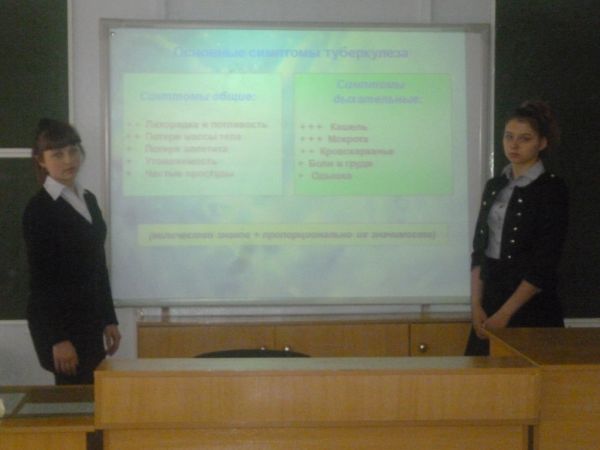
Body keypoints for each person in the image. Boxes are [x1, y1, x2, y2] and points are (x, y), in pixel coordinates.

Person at [465, 101, 569, 356]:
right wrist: (476, 305)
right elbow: (479, 250)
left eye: (525, 138)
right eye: (509, 136)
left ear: (542, 143)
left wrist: (505, 314)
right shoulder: (494, 186)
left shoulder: (552, 189)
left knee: (528, 374)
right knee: (481, 374)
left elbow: (544, 263)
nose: (514, 145)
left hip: (531, 304)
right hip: (491, 298)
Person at [22, 118, 121, 384]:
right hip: (60, 326)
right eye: (57, 154)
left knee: (95, 396)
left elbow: (97, 264)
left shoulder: (88, 199)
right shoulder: (39, 209)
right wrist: (58, 338)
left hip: (89, 319)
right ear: (41, 161)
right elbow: (41, 281)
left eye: (73, 150)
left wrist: (109, 319)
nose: (69, 160)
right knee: (75, 400)